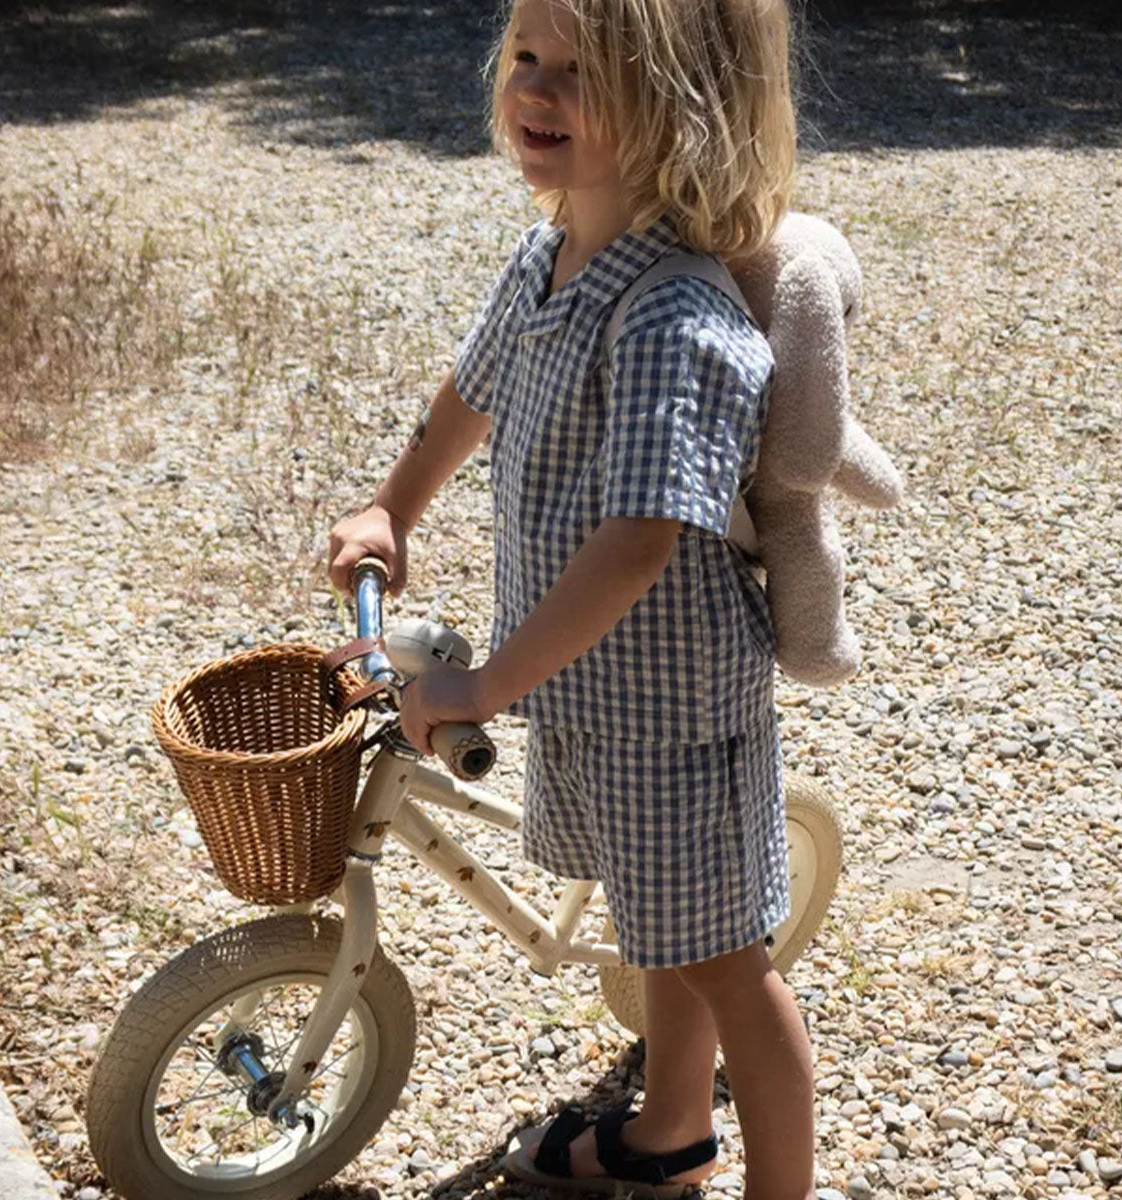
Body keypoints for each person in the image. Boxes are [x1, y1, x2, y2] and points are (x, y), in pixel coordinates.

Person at [329, 0, 814, 1195]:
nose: (536, 91)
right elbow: (474, 386)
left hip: (670, 708)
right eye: (527, 60)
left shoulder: (672, 317)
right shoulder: (549, 256)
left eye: (582, 73)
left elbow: (644, 540)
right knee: (670, 931)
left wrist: (490, 680)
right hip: (587, 683)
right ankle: (670, 1134)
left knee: (723, 963)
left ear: (684, 106)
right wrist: (395, 502)